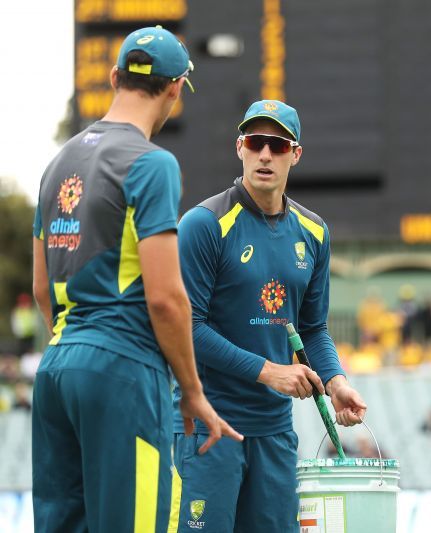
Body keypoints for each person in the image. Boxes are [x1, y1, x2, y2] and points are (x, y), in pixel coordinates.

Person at [30, 26, 241, 532]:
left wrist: (77, 343)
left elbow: (42, 288)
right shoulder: (151, 163)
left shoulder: (57, 164)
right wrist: (191, 389)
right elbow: (166, 298)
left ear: (113, 78)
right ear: (175, 89)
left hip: (56, 369)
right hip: (121, 370)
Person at [172, 99, 368, 532]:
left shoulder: (314, 232)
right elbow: (188, 328)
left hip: (275, 432)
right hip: (209, 425)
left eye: (277, 145)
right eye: (256, 142)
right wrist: (269, 372)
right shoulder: (204, 224)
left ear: (295, 155)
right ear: (239, 147)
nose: (265, 154)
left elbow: (312, 328)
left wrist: (335, 381)